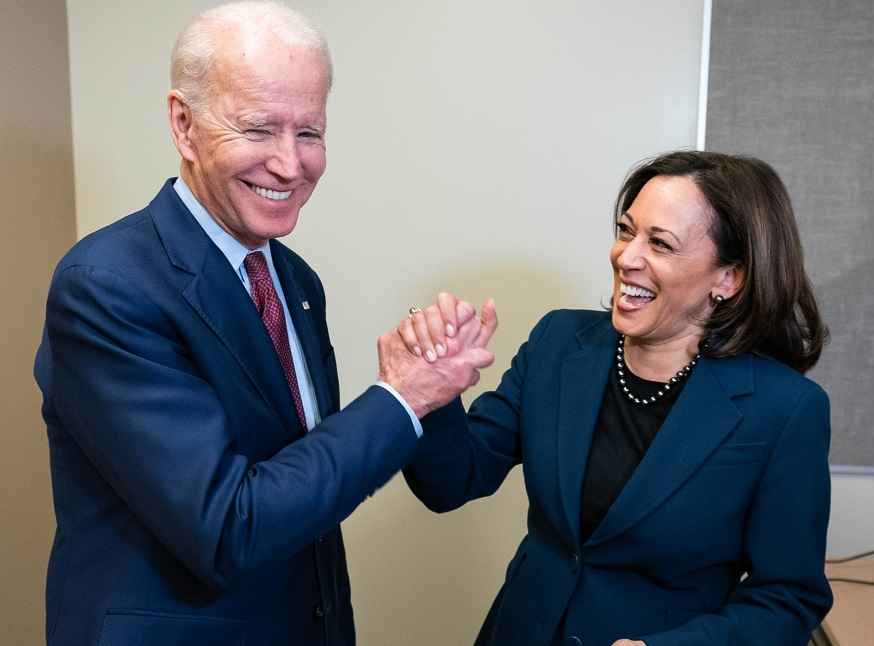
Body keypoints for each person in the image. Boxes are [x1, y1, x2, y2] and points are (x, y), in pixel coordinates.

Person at [33, 3, 494, 645]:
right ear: (184, 124)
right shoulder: (106, 287)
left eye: (310, 133)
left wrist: (427, 388)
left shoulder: (295, 282)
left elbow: (303, 485)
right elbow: (227, 526)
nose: (289, 164)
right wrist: (401, 397)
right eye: (258, 129)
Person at [400, 151, 833, 646]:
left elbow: (788, 599)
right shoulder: (558, 343)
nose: (626, 257)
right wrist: (431, 390)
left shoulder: (785, 410)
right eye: (627, 231)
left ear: (728, 278)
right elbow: (451, 481)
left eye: (661, 244)